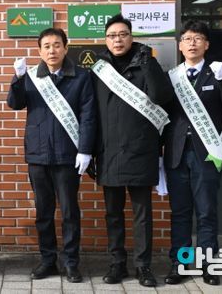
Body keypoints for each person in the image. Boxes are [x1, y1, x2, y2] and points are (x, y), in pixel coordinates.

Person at [6, 28, 96, 283]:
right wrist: (17, 78)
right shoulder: (31, 76)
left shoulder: (81, 77)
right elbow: (15, 103)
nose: (52, 50)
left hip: (68, 156)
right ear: (39, 51)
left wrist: (85, 150)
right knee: (43, 212)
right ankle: (47, 260)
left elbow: (88, 116)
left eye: (57, 45)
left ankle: (71, 262)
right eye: (46, 46)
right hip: (38, 154)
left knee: (69, 212)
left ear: (66, 48)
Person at [91, 14, 173, 287]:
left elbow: (161, 97)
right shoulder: (99, 70)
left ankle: (143, 266)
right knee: (113, 214)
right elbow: (90, 113)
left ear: (131, 36)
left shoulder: (147, 62)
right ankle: (117, 264)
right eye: (112, 35)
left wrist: (147, 63)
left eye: (123, 34)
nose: (118, 40)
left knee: (142, 214)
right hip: (109, 152)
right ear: (106, 40)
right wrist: (90, 151)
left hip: (141, 150)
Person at [162, 20, 222, 286]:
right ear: (180, 45)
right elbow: (163, 116)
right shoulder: (172, 77)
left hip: (207, 154)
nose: (192, 43)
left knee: (207, 213)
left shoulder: (217, 73)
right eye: (187, 38)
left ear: (206, 44)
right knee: (180, 213)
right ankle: (181, 263)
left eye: (197, 38)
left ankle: (209, 265)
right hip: (176, 155)